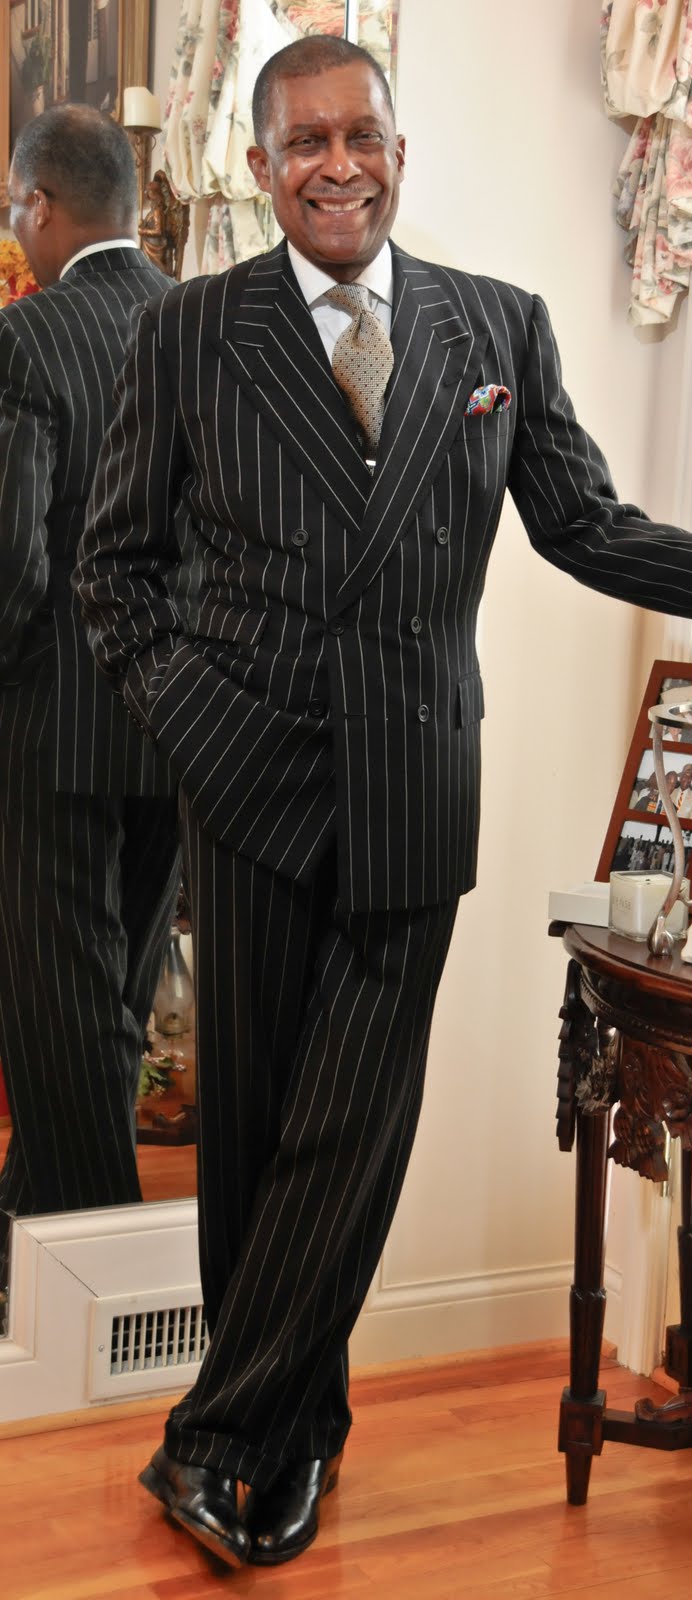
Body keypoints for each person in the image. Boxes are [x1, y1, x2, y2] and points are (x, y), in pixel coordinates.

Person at [74, 36, 692, 1569]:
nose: (339, 165)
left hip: (409, 785)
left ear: (401, 150)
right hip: (245, 795)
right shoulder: (189, 331)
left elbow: (586, 526)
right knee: (255, 1142)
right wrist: (203, 741)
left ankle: (217, 1438)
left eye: (363, 135)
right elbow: (114, 578)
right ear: (260, 168)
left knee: (352, 1133)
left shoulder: (495, 325)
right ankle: (298, 1433)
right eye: (306, 142)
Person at [0, 109, 180, 1260]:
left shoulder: (25, 339)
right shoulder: (213, 326)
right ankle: (24, 1256)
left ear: (39, 204)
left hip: (51, 731)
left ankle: (103, 1285)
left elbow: (11, 563)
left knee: (56, 1021)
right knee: (107, 1012)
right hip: (183, 730)